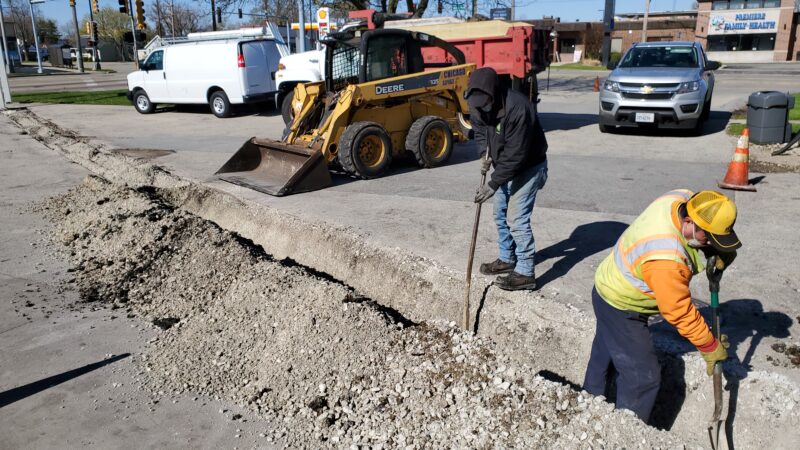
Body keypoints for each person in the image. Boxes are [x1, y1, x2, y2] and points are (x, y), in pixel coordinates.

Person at [583, 189, 739, 423]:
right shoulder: (666, 257)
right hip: (622, 305)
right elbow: (678, 310)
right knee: (642, 378)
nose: (709, 243)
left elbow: (692, 237)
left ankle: (588, 403)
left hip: (609, 284)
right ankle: (623, 434)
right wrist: (708, 345)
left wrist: (713, 249)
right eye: (709, 238)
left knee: (605, 351)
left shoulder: (680, 198)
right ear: (688, 222)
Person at [466, 67, 548, 291]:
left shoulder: (518, 108)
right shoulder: (476, 104)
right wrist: (485, 154)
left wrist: (493, 183)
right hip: (504, 166)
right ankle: (507, 258)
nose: (481, 109)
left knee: (516, 218)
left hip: (529, 166)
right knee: (499, 213)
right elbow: (481, 132)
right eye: (477, 105)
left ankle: (525, 272)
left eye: (485, 104)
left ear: (495, 93)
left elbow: (517, 155)